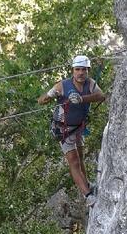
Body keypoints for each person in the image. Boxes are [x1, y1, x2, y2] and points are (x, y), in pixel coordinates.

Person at [38, 55, 105, 207]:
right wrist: (50, 95)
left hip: (78, 128)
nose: (81, 73)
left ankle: (87, 185)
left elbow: (101, 96)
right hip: (63, 129)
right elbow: (41, 100)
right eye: (77, 69)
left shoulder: (90, 84)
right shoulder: (63, 85)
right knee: (73, 161)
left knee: (80, 158)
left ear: (88, 71)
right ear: (72, 71)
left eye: (84, 70)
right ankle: (87, 195)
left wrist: (82, 99)